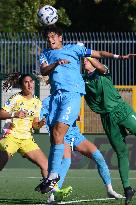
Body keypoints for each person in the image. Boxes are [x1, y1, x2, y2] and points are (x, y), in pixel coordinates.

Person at [36, 25, 131, 194]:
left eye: (53, 36)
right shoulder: (45, 54)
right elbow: (43, 70)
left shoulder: (74, 49)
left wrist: (119, 56)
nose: (50, 40)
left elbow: (100, 55)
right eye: (47, 38)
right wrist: (56, 63)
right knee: (57, 138)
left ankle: (53, 177)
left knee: (59, 134)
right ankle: (53, 181)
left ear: (60, 37)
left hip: (71, 94)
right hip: (57, 96)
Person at [37, 96, 123, 204]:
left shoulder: (70, 96)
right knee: (66, 161)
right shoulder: (47, 101)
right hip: (61, 136)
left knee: (99, 156)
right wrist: (42, 122)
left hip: (76, 135)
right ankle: (54, 195)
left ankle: (110, 190)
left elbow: (75, 116)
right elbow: (38, 123)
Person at [83, 57, 136, 205]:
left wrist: (89, 54)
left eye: (87, 59)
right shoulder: (82, 81)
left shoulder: (102, 71)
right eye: (83, 59)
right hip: (107, 119)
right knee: (122, 152)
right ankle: (127, 188)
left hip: (122, 110)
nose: (84, 60)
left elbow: (100, 66)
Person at [0, 73, 48, 180]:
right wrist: (14, 114)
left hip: (26, 139)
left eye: (31, 81)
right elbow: (1, 113)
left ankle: (53, 194)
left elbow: (35, 125)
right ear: (22, 85)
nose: (29, 84)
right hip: (11, 136)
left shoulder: (37, 102)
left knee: (46, 166)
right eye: (26, 82)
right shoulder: (16, 98)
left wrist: (40, 124)